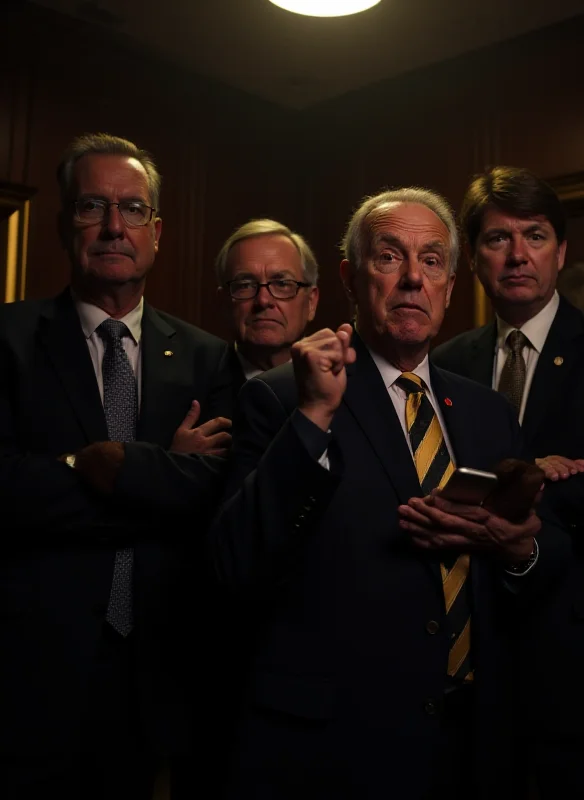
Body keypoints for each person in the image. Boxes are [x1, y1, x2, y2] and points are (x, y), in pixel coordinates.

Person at [209, 187, 551, 799]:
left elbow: (526, 574)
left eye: (432, 260)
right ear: (349, 276)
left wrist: (521, 551)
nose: (413, 280)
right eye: (390, 257)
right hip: (338, 747)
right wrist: (314, 416)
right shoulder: (284, 396)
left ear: (451, 281)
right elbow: (233, 563)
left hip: (470, 742)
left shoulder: (487, 413)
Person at [0, 133, 235, 799]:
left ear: (157, 232)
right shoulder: (8, 340)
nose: (112, 227)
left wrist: (96, 468)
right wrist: (151, 473)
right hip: (30, 668)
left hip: (162, 665)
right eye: (91, 207)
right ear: (61, 225)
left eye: (132, 210)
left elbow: (211, 495)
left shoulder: (206, 359)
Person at [433, 166, 584, 800]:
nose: (517, 256)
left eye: (534, 236)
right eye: (496, 239)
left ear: (561, 252)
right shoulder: (446, 360)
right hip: (472, 642)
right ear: (473, 259)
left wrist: (528, 490)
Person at [214, 219, 320, 386]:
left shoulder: (344, 387)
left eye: (282, 284)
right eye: (245, 285)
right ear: (224, 303)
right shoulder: (200, 387)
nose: (263, 300)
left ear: (311, 302)